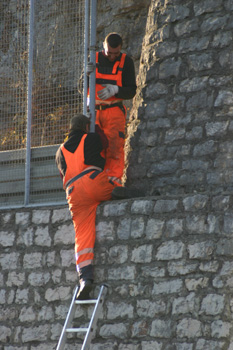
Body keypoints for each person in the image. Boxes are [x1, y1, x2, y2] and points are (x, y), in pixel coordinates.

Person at [56, 114, 143, 299]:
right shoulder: (91, 137)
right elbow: (106, 143)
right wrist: (96, 125)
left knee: (82, 234)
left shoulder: (60, 151)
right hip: (93, 182)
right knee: (112, 187)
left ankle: (85, 279)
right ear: (86, 127)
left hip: (74, 194)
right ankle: (120, 192)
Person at [87, 32, 137, 186]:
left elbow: (131, 90)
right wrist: (86, 75)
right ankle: (94, 182)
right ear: (104, 47)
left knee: (115, 147)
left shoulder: (126, 62)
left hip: (114, 110)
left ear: (120, 49)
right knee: (93, 147)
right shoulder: (93, 60)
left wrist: (116, 90)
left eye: (116, 53)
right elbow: (81, 88)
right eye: (109, 53)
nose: (112, 57)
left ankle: (113, 181)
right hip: (93, 112)